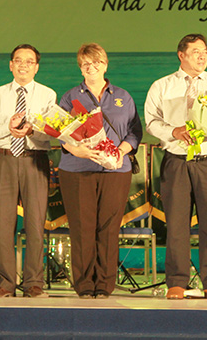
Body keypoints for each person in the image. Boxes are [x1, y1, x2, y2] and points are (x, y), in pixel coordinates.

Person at [144, 34, 207, 300]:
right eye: (196, 51)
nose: (203, 56)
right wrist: (173, 131)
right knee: (176, 224)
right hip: (176, 161)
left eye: (206, 52)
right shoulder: (162, 86)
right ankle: (176, 281)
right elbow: (151, 123)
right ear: (181, 55)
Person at [58, 43, 143, 299]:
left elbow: (135, 131)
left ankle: (105, 285)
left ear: (105, 65)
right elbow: (61, 132)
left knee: (108, 227)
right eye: (85, 63)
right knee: (82, 227)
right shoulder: (70, 97)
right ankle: (84, 284)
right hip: (77, 170)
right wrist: (77, 150)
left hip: (116, 171)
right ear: (80, 67)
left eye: (96, 62)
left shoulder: (123, 96)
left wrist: (122, 150)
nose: (91, 67)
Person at [0, 44, 56, 298]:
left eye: (29, 61)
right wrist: (7, 127)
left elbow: (54, 132)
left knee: (35, 222)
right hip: (6, 160)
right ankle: (5, 283)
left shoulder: (47, 95)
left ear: (36, 66)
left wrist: (32, 131)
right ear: (11, 65)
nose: (24, 65)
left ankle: (34, 282)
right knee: (4, 223)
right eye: (18, 60)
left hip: (36, 159)